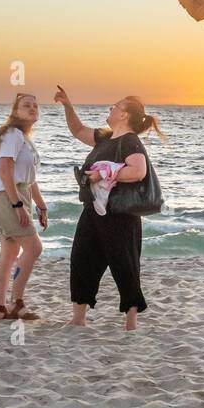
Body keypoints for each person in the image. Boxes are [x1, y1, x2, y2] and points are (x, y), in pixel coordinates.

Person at [54, 86, 162, 332]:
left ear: (124, 115)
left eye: (115, 106)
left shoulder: (130, 141)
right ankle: (79, 318)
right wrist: (68, 106)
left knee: (124, 265)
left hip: (120, 214)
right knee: (81, 260)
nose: (110, 108)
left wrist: (102, 174)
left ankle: (131, 323)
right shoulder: (105, 137)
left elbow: (138, 171)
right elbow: (78, 130)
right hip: (93, 210)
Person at [0, 92, 47, 322]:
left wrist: (41, 206)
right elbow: (5, 171)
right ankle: (16, 302)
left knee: (10, 252)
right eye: (26, 106)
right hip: (6, 195)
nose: (33, 108)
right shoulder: (12, 134)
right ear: (15, 112)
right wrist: (17, 204)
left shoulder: (23, 138)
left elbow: (29, 179)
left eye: (35, 105)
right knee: (34, 249)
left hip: (14, 194)